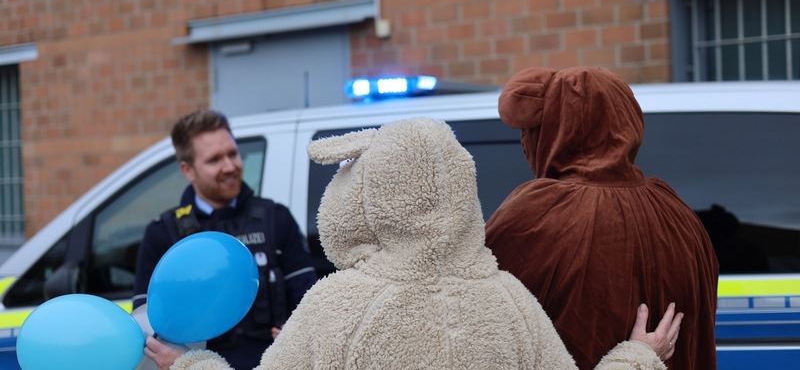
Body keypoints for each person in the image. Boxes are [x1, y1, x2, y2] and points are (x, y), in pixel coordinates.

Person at [143, 117, 682, 370]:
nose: (230, 165)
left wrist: (189, 367)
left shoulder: (337, 305)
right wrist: (639, 357)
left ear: (366, 198)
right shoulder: (510, 300)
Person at [485, 66, 719, 370]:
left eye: (531, 132)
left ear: (552, 133)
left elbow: (482, 326)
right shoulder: (678, 212)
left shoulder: (533, 213)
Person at [133, 108, 318, 370]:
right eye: (215, 160)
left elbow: (309, 301)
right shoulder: (163, 234)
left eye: (232, 153)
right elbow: (149, 327)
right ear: (188, 170)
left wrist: (298, 330)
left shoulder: (276, 218)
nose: (230, 166)